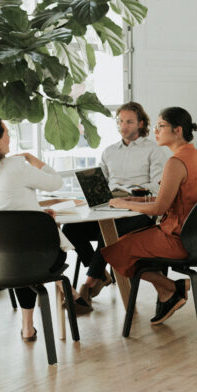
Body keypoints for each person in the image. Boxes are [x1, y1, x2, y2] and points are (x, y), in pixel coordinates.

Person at [0, 117, 71, 341]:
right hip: (39, 257)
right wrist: (31, 159)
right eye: (7, 133)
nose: (10, 138)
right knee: (24, 252)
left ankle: (28, 326)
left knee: (14, 249)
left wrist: (34, 216)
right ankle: (31, 323)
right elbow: (56, 182)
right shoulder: (16, 166)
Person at [102, 107, 197, 325]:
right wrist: (135, 200)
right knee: (128, 245)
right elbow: (170, 199)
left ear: (177, 130)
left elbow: (160, 208)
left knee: (114, 251)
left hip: (177, 239)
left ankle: (173, 288)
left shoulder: (175, 163)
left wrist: (124, 203)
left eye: (161, 126)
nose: (155, 131)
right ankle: (167, 293)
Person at [62, 102, 170, 312]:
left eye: (129, 121)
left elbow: (157, 186)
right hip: (110, 208)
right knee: (70, 230)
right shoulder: (109, 151)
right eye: (120, 121)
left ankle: (88, 285)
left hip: (138, 213)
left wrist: (128, 192)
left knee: (108, 231)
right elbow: (100, 182)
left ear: (140, 123)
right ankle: (102, 275)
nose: (124, 126)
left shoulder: (154, 150)